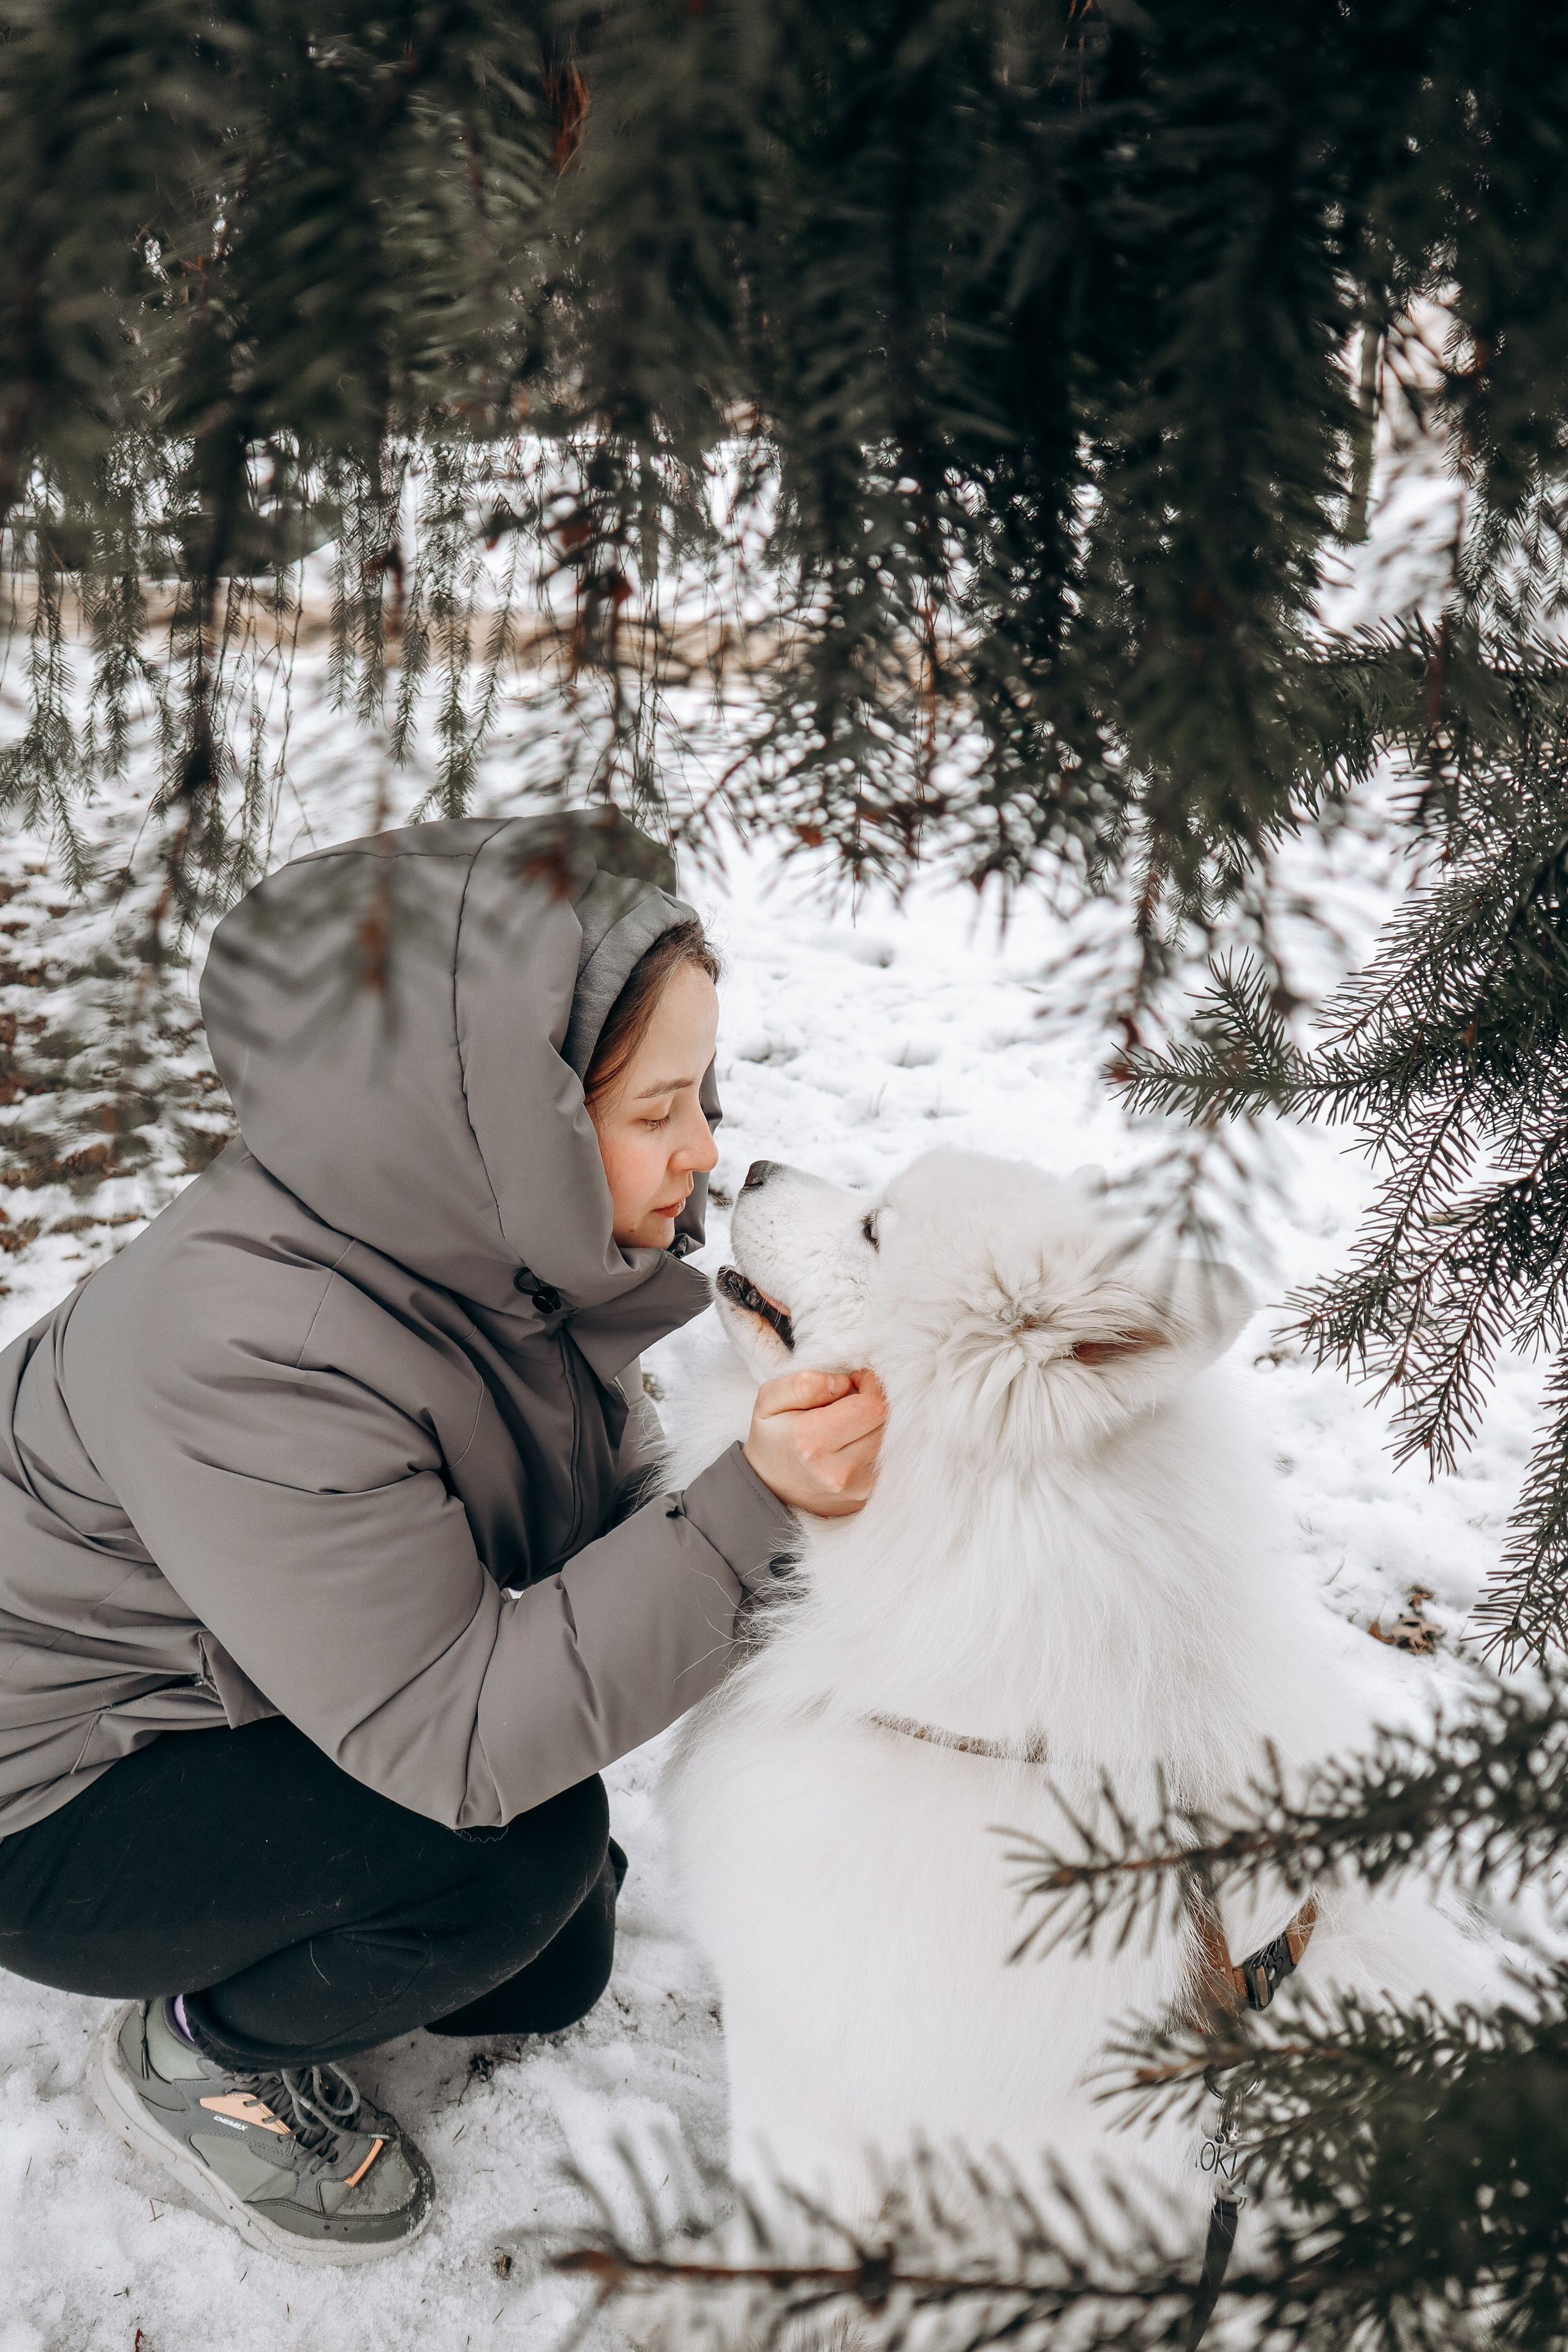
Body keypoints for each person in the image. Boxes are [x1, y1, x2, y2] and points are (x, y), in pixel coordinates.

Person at [0, 812, 885, 2264]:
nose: (706, 1152)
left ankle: (365, 1918)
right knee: (509, 1861)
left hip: (242, 1692)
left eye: (701, 1094)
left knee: (544, 1961)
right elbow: (458, 1736)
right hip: (52, 1792)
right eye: (657, 1111)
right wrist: (758, 1503)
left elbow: (585, 1523)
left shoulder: (476, 1251)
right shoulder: (251, 1344)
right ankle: (193, 2055)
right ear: (509, 1117)